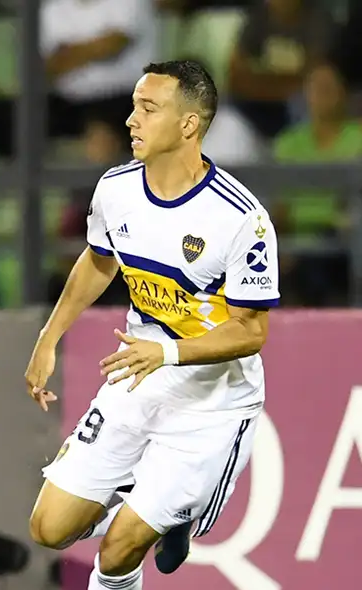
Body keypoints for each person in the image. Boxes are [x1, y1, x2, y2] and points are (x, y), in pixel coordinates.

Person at [24, 60, 280, 590]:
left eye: (148, 108)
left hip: (211, 402)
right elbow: (100, 260)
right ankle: (152, 497)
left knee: (119, 549)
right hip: (139, 381)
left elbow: (251, 332)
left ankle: (165, 512)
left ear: (188, 125)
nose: (130, 121)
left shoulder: (240, 219)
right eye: (133, 106)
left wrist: (166, 353)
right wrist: (49, 338)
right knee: (49, 528)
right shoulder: (116, 189)